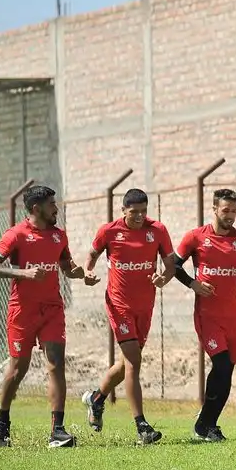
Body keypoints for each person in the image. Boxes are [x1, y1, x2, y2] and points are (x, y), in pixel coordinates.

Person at [0, 185, 88, 448]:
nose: (56, 208)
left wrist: (80, 273)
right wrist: (23, 273)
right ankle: (3, 419)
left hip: (52, 308)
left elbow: (66, 266)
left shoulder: (59, 235)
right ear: (36, 208)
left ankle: (57, 431)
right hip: (23, 311)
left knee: (56, 365)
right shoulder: (16, 235)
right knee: (18, 369)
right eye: (52, 204)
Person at [79, 188, 175, 445]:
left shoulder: (158, 231)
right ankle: (142, 426)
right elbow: (92, 255)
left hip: (145, 306)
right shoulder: (109, 231)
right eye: (134, 212)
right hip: (118, 305)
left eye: (144, 211)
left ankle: (96, 399)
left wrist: (162, 278)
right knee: (134, 362)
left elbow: (170, 265)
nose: (139, 217)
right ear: (123, 211)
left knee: (124, 366)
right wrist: (88, 271)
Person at [171, 188, 236, 442]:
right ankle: (205, 424)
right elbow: (174, 265)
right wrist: (192, 284)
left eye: (234, 211)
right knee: (219, 365)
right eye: (226, 210)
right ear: (214, 209)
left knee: (227, 371)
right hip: (207, 314)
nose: (230, 215)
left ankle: (208, 423)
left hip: (233, 316)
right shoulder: (196, 237)